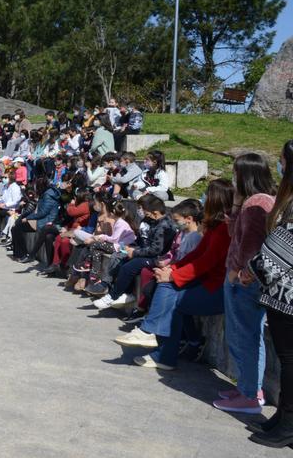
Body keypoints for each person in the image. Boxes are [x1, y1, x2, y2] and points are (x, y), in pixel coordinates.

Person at [114, 179, 233, 372]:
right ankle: (160, 350)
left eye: (207, 194)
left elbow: (205, 262)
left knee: (171, 294)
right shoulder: (216, 226)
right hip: (207, 282)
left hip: (218, 288)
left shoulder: (223, 229)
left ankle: (151, 336)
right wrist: (172, 270)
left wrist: (172, 275)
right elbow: (196, 255)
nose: (204, 198)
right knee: (168, 288)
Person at [214, 153, 276, 415]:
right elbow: (234, 233)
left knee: (244, 337)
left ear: (246, 175)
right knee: (248, 336)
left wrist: (236, 272)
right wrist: (236, 204)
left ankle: (249, 395)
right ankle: (249, 389)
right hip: (247, 278)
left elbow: (249, 243)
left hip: (244, 280)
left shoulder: (257, 203)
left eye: (235, 172)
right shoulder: (253, 201)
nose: (232, 176)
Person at [247, 140, 293, 447]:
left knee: (291, 361)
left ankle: (289, 424)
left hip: (287, 294)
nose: (280, 166)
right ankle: (283, 416)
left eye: (283, 161)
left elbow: (281, 247)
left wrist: (253, 266)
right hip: (282, 293)